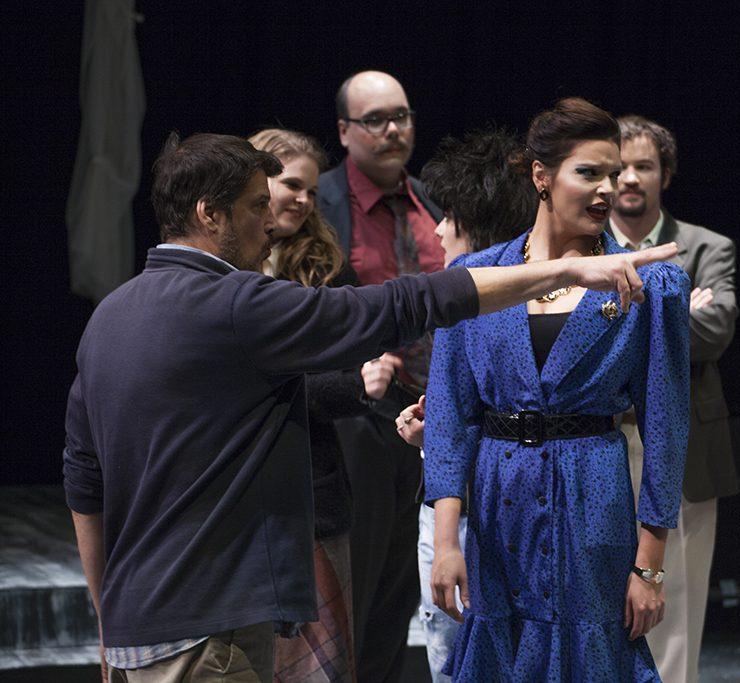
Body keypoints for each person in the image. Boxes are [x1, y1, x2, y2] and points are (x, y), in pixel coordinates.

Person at [63, 131, 678, 682]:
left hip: (134, 633)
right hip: (210, 629)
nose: (271, 224)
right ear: (208, 213)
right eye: (256, 207)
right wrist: (562, 272)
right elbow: (396, 307)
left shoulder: (107, 318)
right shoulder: (235, 305)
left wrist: (107, 613)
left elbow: (83, 484)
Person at [425, 98, 692, 681]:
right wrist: (448, 542)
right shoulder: (480, 277)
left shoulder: (653, 283)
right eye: (588, 173)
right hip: (498, 505)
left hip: (592, 492)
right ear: (541, 176)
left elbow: (666, 431)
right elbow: (450, 415)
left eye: (614, 174)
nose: (608, 190)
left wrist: (649, 568)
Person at [393, 128, 537, 681]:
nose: (437, 229)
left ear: (476, 227)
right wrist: (435, 435)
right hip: (457, 511)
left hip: (493, 514)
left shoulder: (495, 306)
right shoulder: (462, 303)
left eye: (449, 215)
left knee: (465, 664)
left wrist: (445, 440)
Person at [316, 70, 444, 681]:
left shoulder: (432, 202)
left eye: (402, 115)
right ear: (343, 131)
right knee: (358, 589)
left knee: (403, 593)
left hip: (431, 418)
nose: (393, 129)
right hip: (358, 419)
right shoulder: (317, 204)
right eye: (375, 119)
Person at [610, 114, 739, 683]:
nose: (630, 178)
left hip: (684, 444)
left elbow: (714, 333)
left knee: (677, 600)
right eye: (620, 168)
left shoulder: (707, 247)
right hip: (600, 439)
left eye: (644, 166)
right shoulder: (581, 248)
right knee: (601, 591)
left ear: (666, 175)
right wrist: (672, 312)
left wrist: (619, 319)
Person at [248, 127, 359, 682]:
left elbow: (351, 384)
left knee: (320, 671)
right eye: (292, 184)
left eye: (313, 192)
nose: (303, 201)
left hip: (313, 491)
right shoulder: (219, 268)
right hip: (235, 504)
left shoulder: (327, 267)